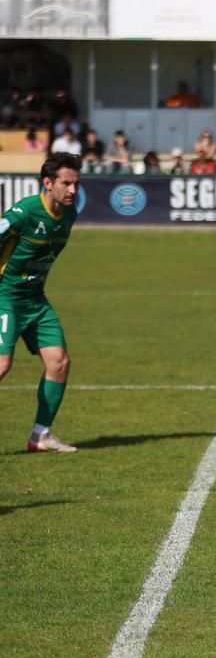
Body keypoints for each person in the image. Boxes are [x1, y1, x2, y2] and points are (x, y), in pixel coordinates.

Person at [0, 153, 84, 453]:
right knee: (2, 364)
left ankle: (41, 436)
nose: (73, 190)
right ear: (47, 183)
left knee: (59, 362)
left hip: (35, 300)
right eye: (66, 183)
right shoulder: (23, 213)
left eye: (76, 184)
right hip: (5, 297)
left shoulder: (69, 215)